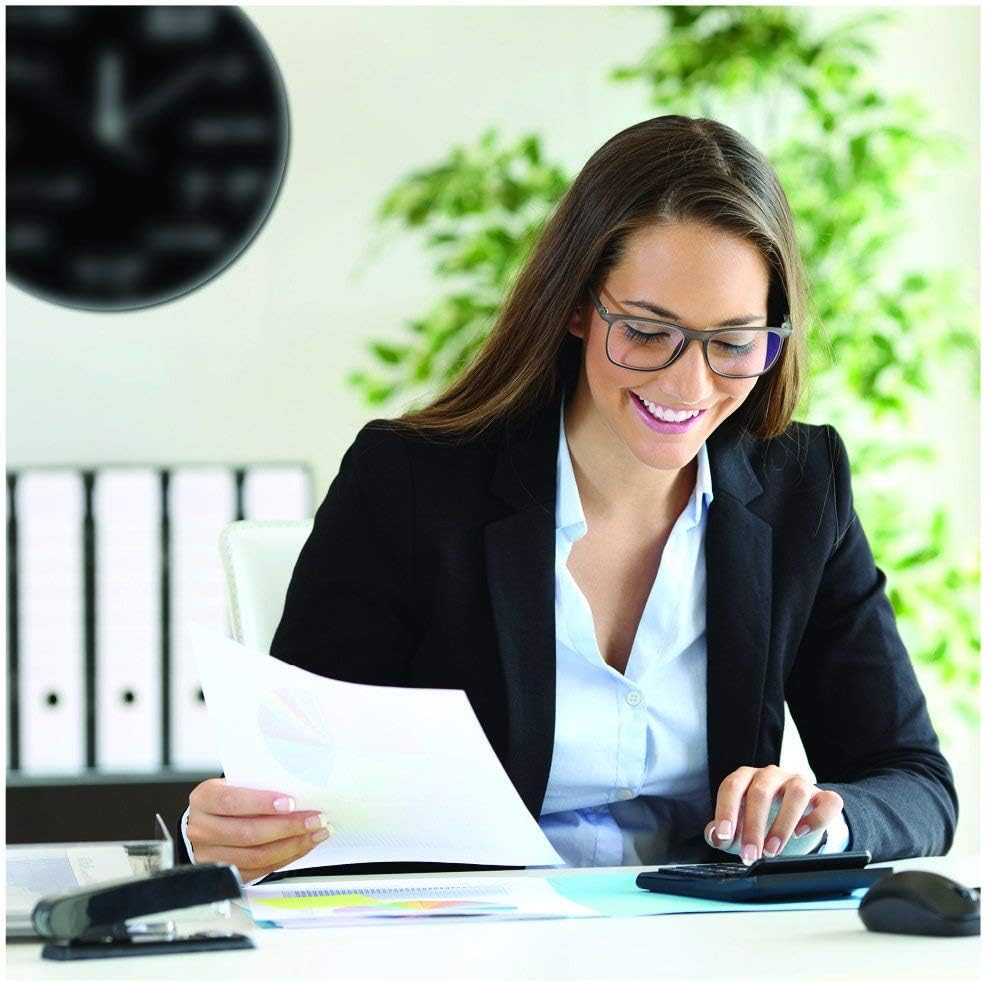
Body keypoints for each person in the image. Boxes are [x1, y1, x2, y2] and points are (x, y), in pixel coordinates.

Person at [180, 115, 957, 884]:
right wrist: (238, 827)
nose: (689, 386)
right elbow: (294, 776)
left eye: (732, 341)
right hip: (466, 947)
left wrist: (819, 818)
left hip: (706, 947)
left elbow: (915, 783)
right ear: (579, 307)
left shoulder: (800, 485)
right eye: (648, 332)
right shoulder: (411, 482)